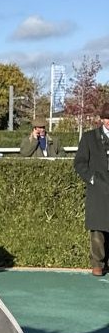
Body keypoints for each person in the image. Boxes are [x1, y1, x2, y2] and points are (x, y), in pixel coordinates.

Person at [73, 106, 109, 276]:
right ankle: (98, 264)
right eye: (106, 118)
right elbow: (79, 163)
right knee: (97, 229)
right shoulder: (89, 138)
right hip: (98, 189)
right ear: (101, 119)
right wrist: (92, 179)